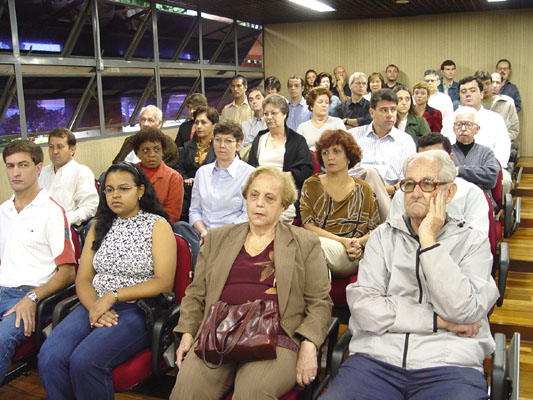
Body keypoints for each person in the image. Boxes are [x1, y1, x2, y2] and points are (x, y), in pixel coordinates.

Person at [322, 149, 499, 400]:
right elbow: (364, 308)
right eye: (408, 184)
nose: (415, 192)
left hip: (449, 363)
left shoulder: (472, 241)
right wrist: (440, 322)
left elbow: (464, 311)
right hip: (376, 360)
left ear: (449, 192)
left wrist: (428, 241)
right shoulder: (382, 237)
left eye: (427, 184)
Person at [170, 166, 333, 400]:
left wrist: (310, 344)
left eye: (270, 198)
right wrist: (187, 332)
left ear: (283, 205)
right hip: (218, 332)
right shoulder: (217, 238)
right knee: (186, 391)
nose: (259, 203)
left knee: (251, 393)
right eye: (254, 195)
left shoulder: (305, 242)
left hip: (277, 337)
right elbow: (195, 294)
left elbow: (320, 302)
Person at [38, 162, 177, 399]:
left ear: (140, 191)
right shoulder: (98, 226)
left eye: (123, 188)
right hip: (93, 303)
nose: (115, 195)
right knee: (50, 356)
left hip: (136, 308)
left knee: (85, 361)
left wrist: (113, 296)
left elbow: (163, 282)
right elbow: (83, 279)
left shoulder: (157, 225)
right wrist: (96, 306)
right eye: (109, 190)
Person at [0, 140, 75, 384]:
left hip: (30, 295)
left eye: (23, 165)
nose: (16, 172)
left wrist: (32, 297)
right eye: (10, 166)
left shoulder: (51, 211)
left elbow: (67, 273)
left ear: (38, 168)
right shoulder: (3, 211)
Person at [174, 120, 255, 267]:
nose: (222, 145)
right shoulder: (202, 172)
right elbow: (195, 211)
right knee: (180, 227)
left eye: (228, 141)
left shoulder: (249, 174)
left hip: (232, 236)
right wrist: (204, 232)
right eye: (218, 140)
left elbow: (246, 215)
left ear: (238, 144)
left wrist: (217, 235)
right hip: (202, 235)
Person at [300, 130, 380, 278]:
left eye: (336, 151)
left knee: (309, 247)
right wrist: (341, 241)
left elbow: (374, 229)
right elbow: (309, 226)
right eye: (325, 153)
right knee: (309, 246)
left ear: (349, 156)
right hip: (321, 245)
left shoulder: (364, 189)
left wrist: (358, 243)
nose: (330, 157)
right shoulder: (311, 185)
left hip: (352, 253)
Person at [390, 133, 489, 237]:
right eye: (422, 159)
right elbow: (392, 235)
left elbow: (478, 238)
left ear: (451, 159)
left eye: (435, 159)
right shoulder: (404, 193)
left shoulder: (471, 193)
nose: (416, 194)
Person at [248, 94, 314, 222]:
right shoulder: (260, 138)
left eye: (274, 113)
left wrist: (279, 178)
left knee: (270, 217)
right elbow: (250, 167)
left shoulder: (297, 140)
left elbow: (305, 169)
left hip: (285, 191)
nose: (269, 117)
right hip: (259, 190)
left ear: (284, 114)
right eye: (266, 114)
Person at [441, 76, 511, 194]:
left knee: (506, 180)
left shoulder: (495, 119)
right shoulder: (449, 120)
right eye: (464, 91)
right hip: (454, 171)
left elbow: (502, 151)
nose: (468, 94)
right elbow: (444, 149)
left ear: (482, 94)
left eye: (472, 91)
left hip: (486, 168)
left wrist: (473, 172)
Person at [349, 89, 416, 195]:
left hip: (389, 193)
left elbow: (409, 178)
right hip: (353, 191)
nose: (389, 114)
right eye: (384, 110)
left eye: (393, 110)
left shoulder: (406, 141)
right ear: (372, 112)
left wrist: (392, 189)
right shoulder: (352, 136)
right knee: (370, 173)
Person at [39, 127, 99, 226]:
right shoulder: (42, 173)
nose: (54, 151)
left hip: (65, 226)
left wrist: (64, 219)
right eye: (51, 147)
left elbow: (89, 207)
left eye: (60, 147)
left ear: (72, 149)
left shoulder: (81, 172)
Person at [450, 106, 500, 208]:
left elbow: (491, 177)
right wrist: (477, 180)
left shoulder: (486, 152)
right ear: (454, 129)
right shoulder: (446, 151)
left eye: (468, 124)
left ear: (477, 129)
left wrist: (459, 171)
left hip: (481, 202)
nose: (463, 129)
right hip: (453, 203)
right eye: (459, 124)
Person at [133, 127, 184, 223]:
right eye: (145, 150)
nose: (152, 154)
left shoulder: (174, 178)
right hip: (130, 224)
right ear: (137, 153)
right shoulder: (129, 174)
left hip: (160, 226)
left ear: (162, 152)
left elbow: (172, 215)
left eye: (157, 150)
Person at [175, 106, 218, 221]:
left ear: (214, 125)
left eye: (203, 122)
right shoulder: (187, 146)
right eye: (196, 122)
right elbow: (178, 168)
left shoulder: (220, 147)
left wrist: (200, 179)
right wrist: (186, 179)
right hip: (188, 191)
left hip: (212, 191)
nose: (199, 126)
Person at [113, 105, 178, 167]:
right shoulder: (130, 140)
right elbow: (116, 162)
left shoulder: (168, 143)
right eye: (143, 119)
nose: (145, 124)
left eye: (150, 120)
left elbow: (163, 170)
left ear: (159, 124)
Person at [475, 70, 519, 141]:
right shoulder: (471, 105)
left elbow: (514, 130)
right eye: (481, 85)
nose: (485, 87)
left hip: (501, 143)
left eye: (487, 83)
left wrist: (499, 140)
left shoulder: (507, 102)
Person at [297, 87, 345, 151]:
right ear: (311, 106)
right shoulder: (302, 127)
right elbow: (297, 151)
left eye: (327, 102)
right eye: (320, 102)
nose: (324, 105)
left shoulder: (337, 123)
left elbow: (346, 145)